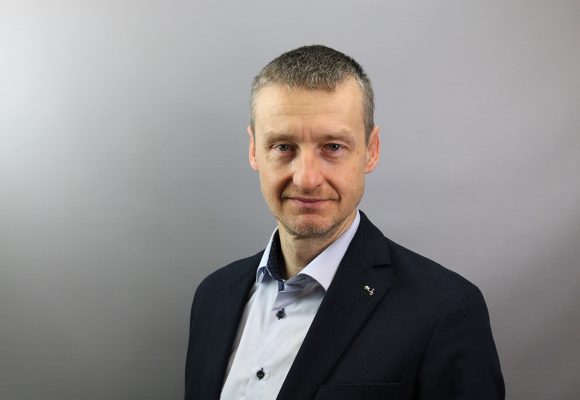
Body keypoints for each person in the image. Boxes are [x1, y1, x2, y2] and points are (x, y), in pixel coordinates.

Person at [184, 45, 504, 400]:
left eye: (333, 147)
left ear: (371, 150)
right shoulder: (213, 296)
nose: (307, 179)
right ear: (254, 150)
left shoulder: (446, 310)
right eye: (283, 146)